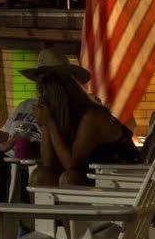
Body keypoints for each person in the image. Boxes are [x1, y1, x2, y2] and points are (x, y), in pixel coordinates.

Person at [25, 48, 137, 188]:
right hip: (97, 176)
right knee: (41, 175)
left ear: (60, 91)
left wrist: (51, 124)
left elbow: (72, 165)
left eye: (44, 88)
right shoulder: (65, 116)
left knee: (69, 178)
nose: (41, 95)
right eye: (39, 88)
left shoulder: (91, 116)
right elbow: (49, 164)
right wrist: (46, 125)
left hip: (122, 179)